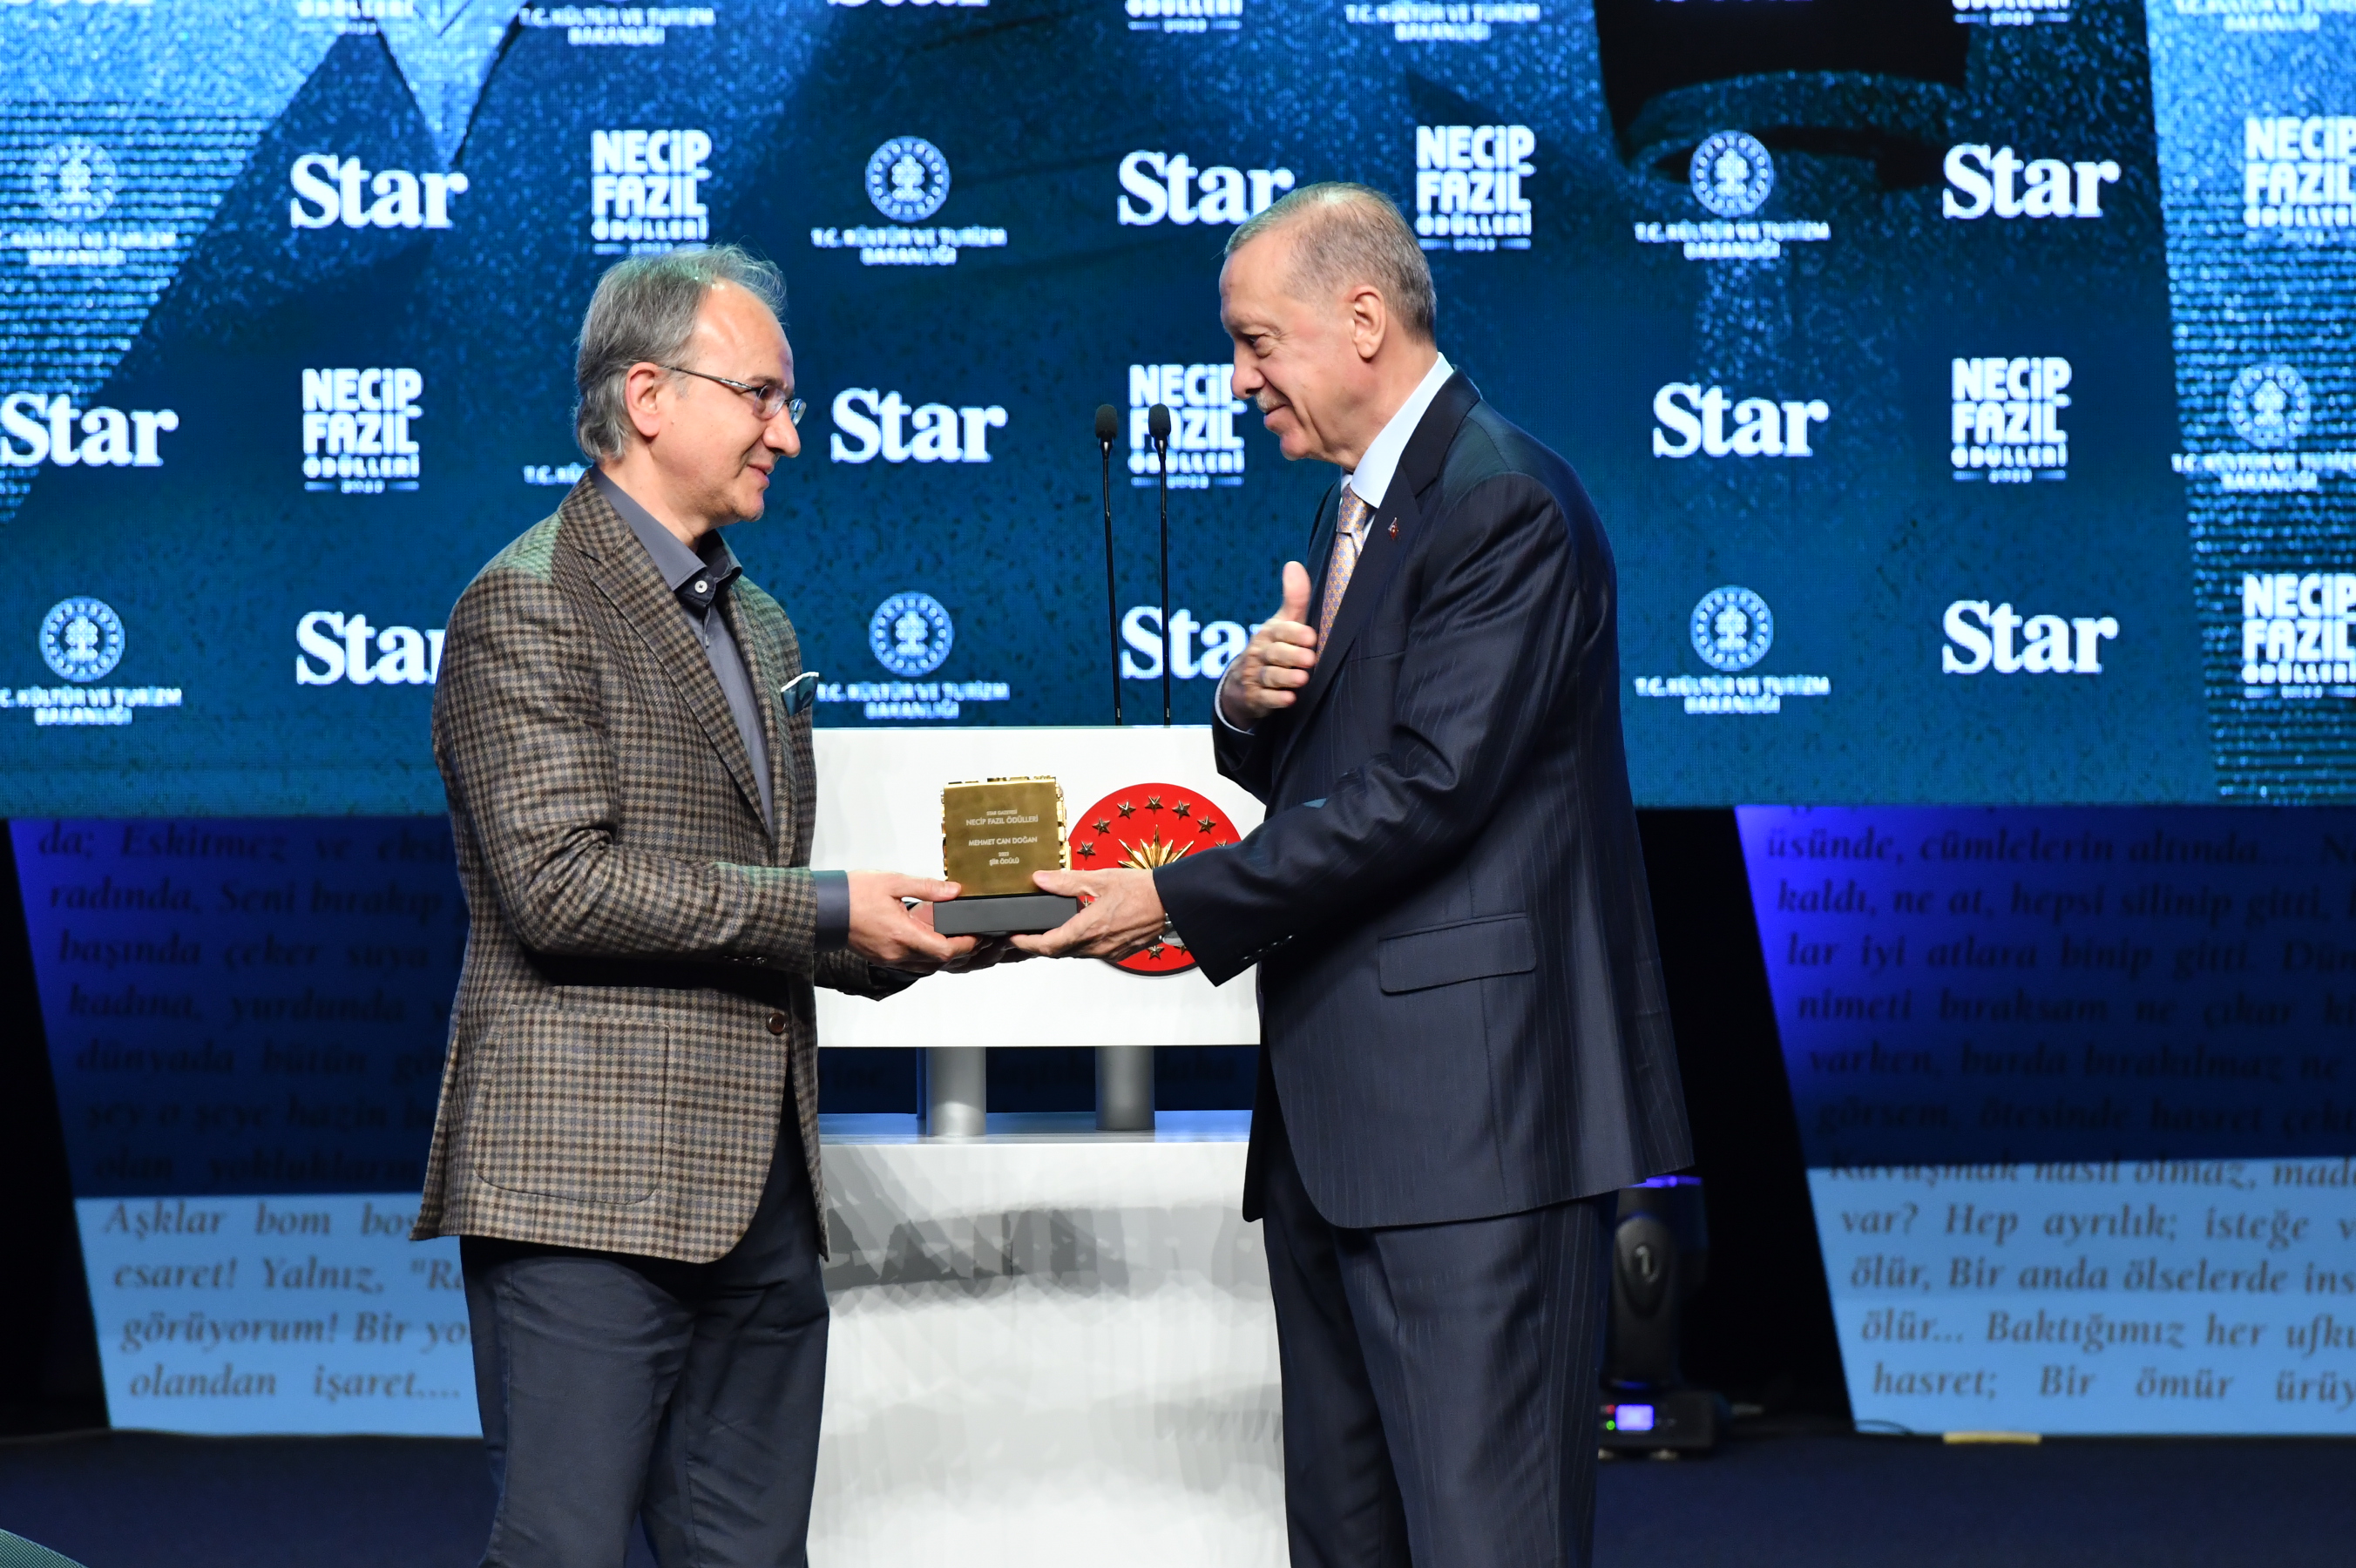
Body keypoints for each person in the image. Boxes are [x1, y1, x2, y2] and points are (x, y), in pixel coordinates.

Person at [1019, 185, 1691, 1565]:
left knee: (1485, 1541)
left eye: (1256, 341)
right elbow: (1356, 766)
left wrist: (1177, 896)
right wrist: (1247, 713)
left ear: (1365, 319)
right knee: (1347, 1543)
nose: (1237, 379)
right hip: (1348, 1138)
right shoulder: (1364, 509)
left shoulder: (1500, 500)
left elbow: (1432, 791)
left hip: (1474, 1137)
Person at [414, 245, 1003, 1568]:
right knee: (562, 1552)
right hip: (587, 1196)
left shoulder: (764, 626)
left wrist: (914, 937)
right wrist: (831, 906)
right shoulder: (527, 603)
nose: (788, 433)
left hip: (762, 1202)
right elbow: (561, 889)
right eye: (762, 397)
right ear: (648, 397)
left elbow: (757, 900)